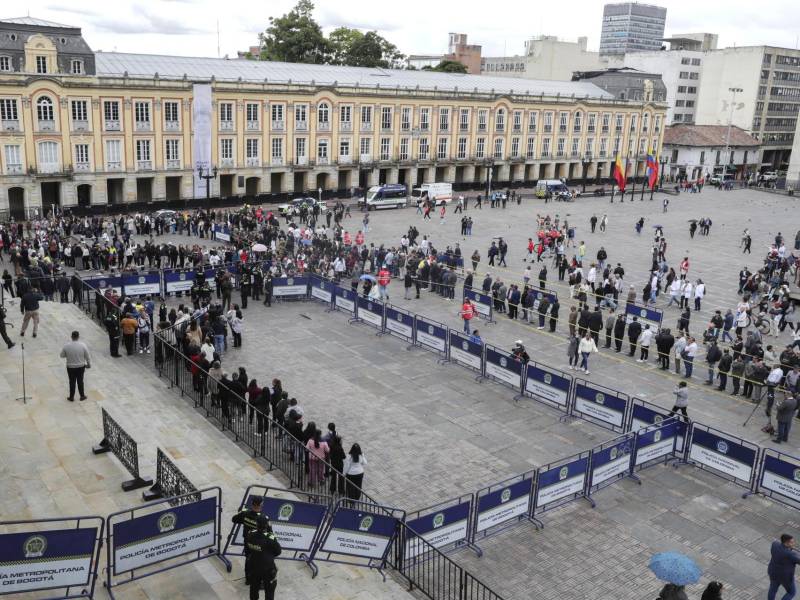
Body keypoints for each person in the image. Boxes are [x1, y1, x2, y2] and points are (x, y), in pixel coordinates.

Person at [245, 516, 281, 600]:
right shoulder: (270, 538)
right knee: (269, 592)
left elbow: (247, 550)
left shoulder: (250, 534)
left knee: (253, 589)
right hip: (267, 570)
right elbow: (278, 551)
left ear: (256, 525)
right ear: (266, 525)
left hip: (254, 567)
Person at [232, 495, 264, 585]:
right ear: (260, 505)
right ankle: (259, 581)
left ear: (252, 504)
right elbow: (269, 532)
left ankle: (248, 580)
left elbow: (234, 519)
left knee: (249, 559)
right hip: (259, 544)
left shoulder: (245, 514)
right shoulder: (263, 518)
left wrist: (242, 515)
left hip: (248, 541)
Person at [60, 330, 90, 402]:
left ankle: (71, 397)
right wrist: (89, 364)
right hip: (81, 367)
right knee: (80, 381)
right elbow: (87, 356)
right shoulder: (83, 345)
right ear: (78, 337)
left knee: (72, 382)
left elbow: (62, 355)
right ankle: (82, 396)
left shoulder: (66, 346)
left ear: (71, 337)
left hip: (70, 367)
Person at [768, 534, 800, 600]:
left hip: (773, 572)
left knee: (773, 589)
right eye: (792, 542)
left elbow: (779, 546)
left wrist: (789, 549)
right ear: (786, 543)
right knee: (791, 592)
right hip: (785, 577)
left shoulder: (775, 544)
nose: (794, 543)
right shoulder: (791, 555)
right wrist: (791, 550)